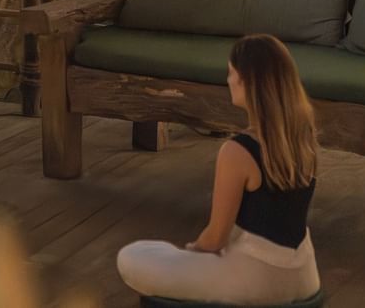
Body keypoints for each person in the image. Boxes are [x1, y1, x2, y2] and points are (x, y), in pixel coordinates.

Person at [116, 34, 322, 305]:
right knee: (162, 254)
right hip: (305, 276)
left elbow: (215, 240)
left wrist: (190, 254)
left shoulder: (238, 151)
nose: (228, 80)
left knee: (132, 257)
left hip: (258, 281)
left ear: (247, 81)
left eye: (231, 73)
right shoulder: (303, 137)